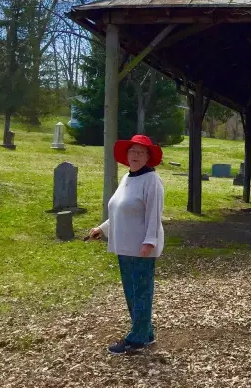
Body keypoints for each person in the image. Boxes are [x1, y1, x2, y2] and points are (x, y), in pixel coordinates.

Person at [87, 134, 165, 355]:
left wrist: (149, 241)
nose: (136, 156)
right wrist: (101, 229)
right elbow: (120, 211)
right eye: (133, 151)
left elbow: (154, 214)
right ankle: (146, 333)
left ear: (149, 157)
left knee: (140, 291)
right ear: (127, 155)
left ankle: (137, 339)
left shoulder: (152, 180)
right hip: (124, 245)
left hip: (141, 247)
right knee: (131, 292)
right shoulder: (127, 178)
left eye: (141, 152)